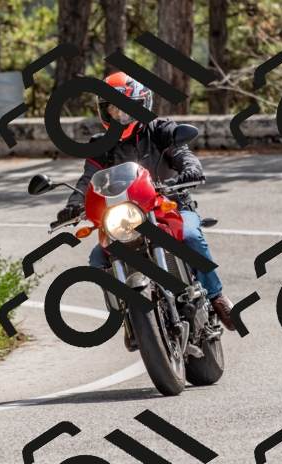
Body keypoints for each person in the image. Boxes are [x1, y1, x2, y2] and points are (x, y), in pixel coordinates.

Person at [55, 72, 236, 340]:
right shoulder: (100, 144)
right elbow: (87, 179)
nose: (120, 115)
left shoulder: (161, 130)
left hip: (170, 207)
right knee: (97, 258)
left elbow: (182, 154)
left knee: (189, 236)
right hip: (125, 218)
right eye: (113, 109)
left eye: (125, 108)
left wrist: (190, 170)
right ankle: (131, 317)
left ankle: (216, 296)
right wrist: (74, 204)